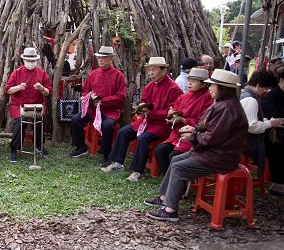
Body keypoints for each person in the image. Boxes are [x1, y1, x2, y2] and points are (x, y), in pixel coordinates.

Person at [145, 69, 248, 222]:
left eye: (212, 85)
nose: (210, 88)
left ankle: (170, 210)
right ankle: (165, 197)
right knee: (175, 160)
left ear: (222, 88)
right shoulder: (222, 104)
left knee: (180, 167)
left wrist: (192, 136)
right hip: (211, 151)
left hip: (220, 156)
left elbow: (213, 137)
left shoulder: (227, 108)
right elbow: (208, 127)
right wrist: (193, 129)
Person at [102, 56, 182, 181]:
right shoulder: (150, 86)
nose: (150, 73)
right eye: (149, 70)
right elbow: (144, 100)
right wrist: (142, 107)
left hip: (162, 125)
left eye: (154, 70)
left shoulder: (174, 88)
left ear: (164, 70)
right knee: (124, 131)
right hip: (147, 120)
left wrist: (151, 112)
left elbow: (170, 113)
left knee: (144, 138)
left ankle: (138, 171)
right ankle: (118, 163)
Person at [69, 46, 126, 166]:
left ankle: (106, 154)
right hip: (93, 110)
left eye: (104, 58)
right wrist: (90, 97)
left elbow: (121, 96)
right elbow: (85, 90)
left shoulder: (118, 75)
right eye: (99, 57)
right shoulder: (93, 74)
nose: (100, 60)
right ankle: (81, 147)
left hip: (110, 111)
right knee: (75, 120)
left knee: (108, 125)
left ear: (110, 59)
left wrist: (103, 101)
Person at [153, 68, 214, 174]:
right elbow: (174, 113)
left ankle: (177, 183)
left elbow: (203, 122)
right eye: (189, 80)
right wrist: (171, 118)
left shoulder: (208, 99)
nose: (189, 83)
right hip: (176, 135)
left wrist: (183, 120)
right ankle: (170, 180)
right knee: (159, 151)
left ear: (204, 84)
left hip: (193, 137)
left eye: (194, 81)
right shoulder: (183, 97)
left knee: (174, 156)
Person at [5, 47, 53, 163]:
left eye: (32, 61)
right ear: (24, 60)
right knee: (22, 120)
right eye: (28, 61)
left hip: (37, 104)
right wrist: (18, 87)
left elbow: (48, 92)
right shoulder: (17, 72)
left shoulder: (41, 73)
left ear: (36, 61)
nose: (30, 63)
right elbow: (8, 90)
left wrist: (41, 88)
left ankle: (38, 145)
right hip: (19, 105)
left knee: (39, 119)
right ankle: (14, 149)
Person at [240, 70, 283, 177]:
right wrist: (270, 124)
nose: (265, 91)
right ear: (258, 85)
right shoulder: (251, 100)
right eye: (265, 88)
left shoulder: (244, 93)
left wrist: (268, 122)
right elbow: (251, 126)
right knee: (276, 145)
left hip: (241, 140)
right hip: (247, 143)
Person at [262, 67, 284, 196]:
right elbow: (276, 119)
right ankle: (278, 183)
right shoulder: (272, 96)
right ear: (281, 80)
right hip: (270, 134)